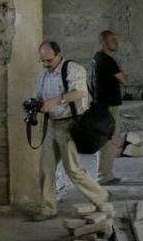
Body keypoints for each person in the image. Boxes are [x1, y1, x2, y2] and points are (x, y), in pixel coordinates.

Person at [31, 40, 111, 222]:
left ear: (58, 55)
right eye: (42, 61)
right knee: (45, 167)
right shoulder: (43, 75)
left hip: (69, 124)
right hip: (52, 124)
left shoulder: (73, 69)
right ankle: (48, 208)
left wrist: (57, 100)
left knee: (73, 169)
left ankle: (101, 197)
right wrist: (34, 105)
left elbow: (80, 93)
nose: (46, 65)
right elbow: (38, 96)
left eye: (49, 61)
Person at [92, 30, 129, 186]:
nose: (116, 42)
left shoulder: (96, 58)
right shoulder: (107, 60)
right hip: (108, 106)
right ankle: (104, 176)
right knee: (109, 140)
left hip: (102, 105)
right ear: (103, 42)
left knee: (107, 140)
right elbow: (125, 80)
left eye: (116, 39)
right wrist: (121, 72)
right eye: (112, 40)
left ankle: (104, 174)